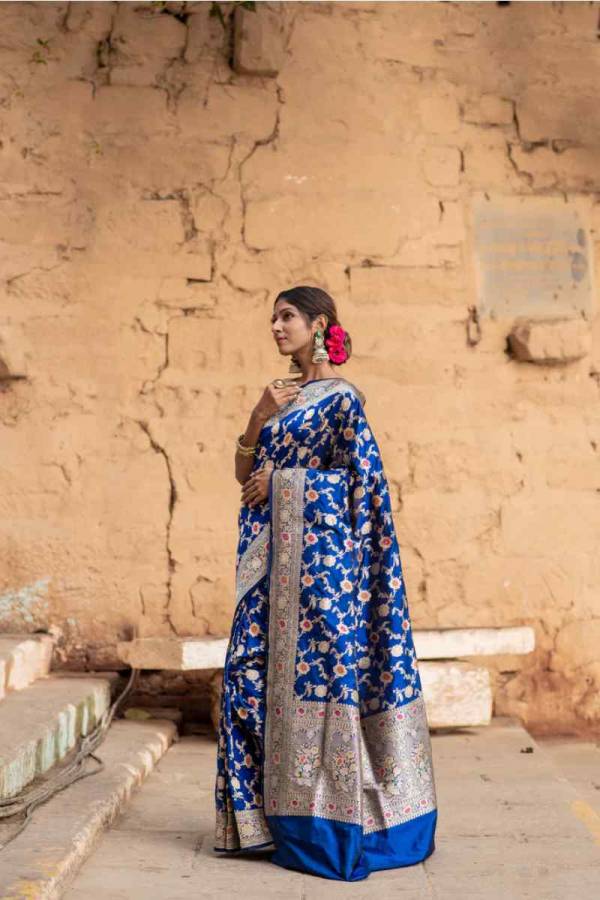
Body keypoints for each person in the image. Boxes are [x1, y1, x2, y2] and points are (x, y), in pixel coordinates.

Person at [213, 285, 437, 881]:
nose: (275, 326)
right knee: (244, 678)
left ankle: (322, 824)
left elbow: (364, 488)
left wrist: (284, 483)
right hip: (265, 571)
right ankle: (259, 822)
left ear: (319, 326)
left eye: (286, 316)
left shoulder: (342, 401)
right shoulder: (281, 398)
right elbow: (242, 471)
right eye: (272, 318)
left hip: (319, 580)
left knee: (318, 689)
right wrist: (259, 416)